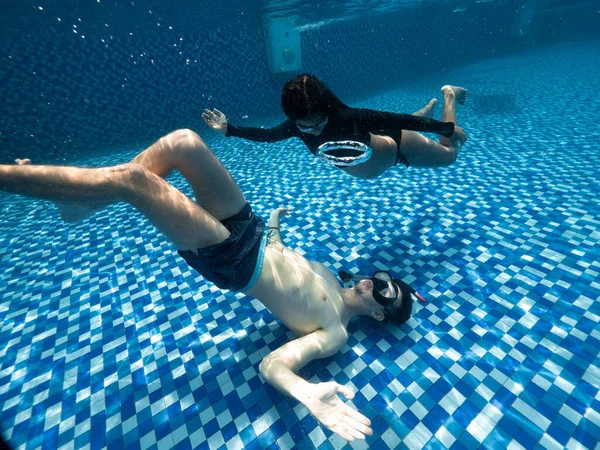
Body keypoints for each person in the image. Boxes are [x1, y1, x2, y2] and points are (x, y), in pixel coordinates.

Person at [1, 129, 424, 442]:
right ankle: (87, 201)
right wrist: (274, 226)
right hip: (251, 230)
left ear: (378, 313)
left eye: (385, 292)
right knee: (183, 142)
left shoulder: (334, 333)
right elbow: (285, 257)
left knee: (135, 181)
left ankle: (29, 183)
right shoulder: (332, 276)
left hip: (234, 262)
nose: (376, 282)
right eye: (385, 278)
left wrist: (307, 392)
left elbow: (274, 365)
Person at [203, 73, 468, 179]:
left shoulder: (350, 116)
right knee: (397, 125)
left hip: (397, 148)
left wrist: (446, 129)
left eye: (319, 122)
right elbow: (268, 135)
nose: (314, 130)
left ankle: (449, 95)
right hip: (375, 150)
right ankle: (429, 107)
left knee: (450, 155)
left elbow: (398, 120)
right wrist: (230, 129)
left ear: (327, 109)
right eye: (305, 126)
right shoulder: (296, 126)